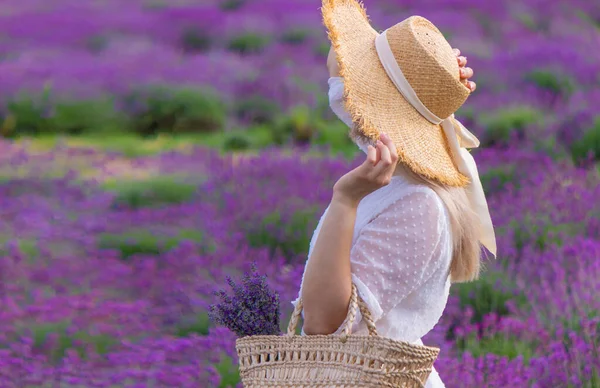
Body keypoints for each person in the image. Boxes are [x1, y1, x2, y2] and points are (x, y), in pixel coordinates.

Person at [291, 1, 498, 387]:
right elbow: (337, 59)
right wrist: (426, 72)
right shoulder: (397, 186)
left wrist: (344, 200)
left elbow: (323, 323)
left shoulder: (416, 203)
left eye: (361, 80)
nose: (340, 84)